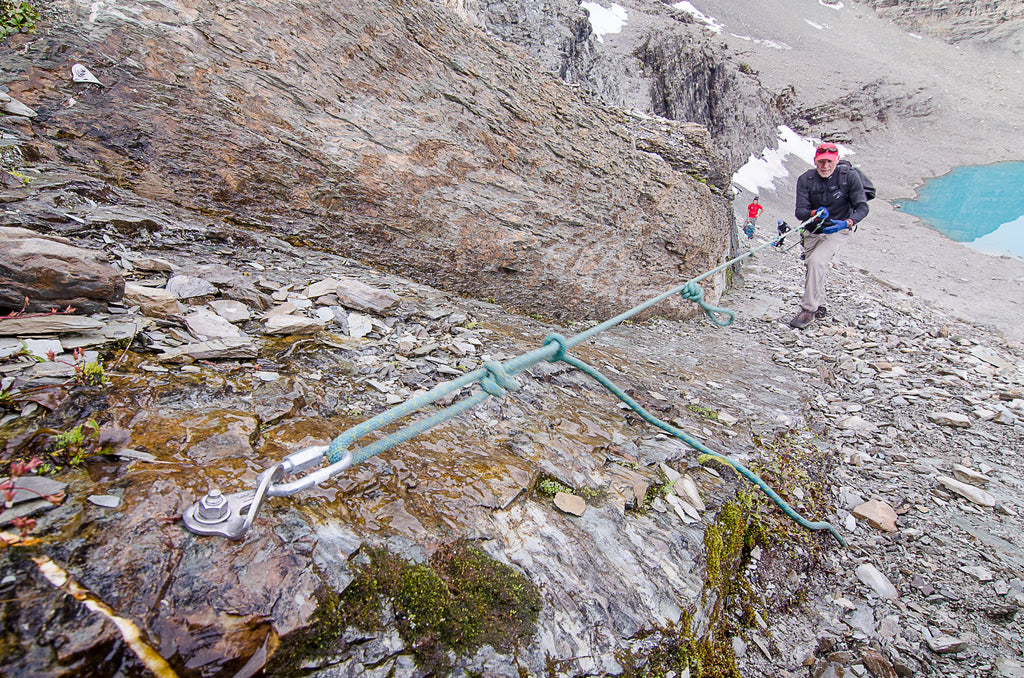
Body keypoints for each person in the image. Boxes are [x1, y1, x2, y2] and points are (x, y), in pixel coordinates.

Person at [789, 143, 869, 329]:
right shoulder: (806, 179)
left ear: (837, 161)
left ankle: (808, 310)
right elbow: (800, 211)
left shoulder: (849, 178)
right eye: (821, 162)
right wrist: (813, 213)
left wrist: (848, 222)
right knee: (814, 267)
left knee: (816, 262)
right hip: (812, 230)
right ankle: (821, 303)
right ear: (815, 161)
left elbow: (862, 207)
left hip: (837, 229)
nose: (825, 166)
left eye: (829, 162)